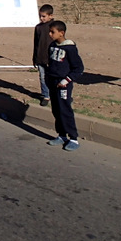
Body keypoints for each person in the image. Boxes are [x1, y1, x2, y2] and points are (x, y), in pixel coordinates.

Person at [46, 20, 84, 151]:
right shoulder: (52, 46)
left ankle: (73, 138)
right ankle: (61, 135)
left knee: (65, 110)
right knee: (56, 110)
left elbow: (78, 68)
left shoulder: (70, 48)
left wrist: (66, 80)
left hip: (64, 85)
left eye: (53, 32)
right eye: (49, 32)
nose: (50, 34)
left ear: (61, 33)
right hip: (53, 82)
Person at [33, 4, 55, 107]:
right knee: (43, 77)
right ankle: (46, 95)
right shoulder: (38, 27)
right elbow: (36, 43)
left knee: (55, 77)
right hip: (41, 57)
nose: (41, 18)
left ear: (50, 16)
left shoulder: (55, 26)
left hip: (53, 58)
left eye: (44, 16)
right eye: (40, 16)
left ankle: (57, 95)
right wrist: (35, 57)